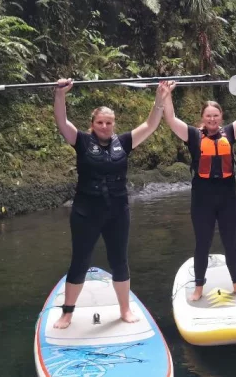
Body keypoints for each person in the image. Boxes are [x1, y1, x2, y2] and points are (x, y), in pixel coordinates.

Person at [52, 79, 169, 328]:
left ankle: (124, 310)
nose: (104, 126)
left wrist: (160, 99)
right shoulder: (81, 141)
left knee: (119, 260)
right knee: (80, 261)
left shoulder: (124, 142)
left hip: (117, 212)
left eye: (108, 122)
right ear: (92, 125)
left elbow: (150, 124)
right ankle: (67, 313)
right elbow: (62, 122)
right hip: (86, 212)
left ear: (114, 125)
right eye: (99, 123)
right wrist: (59, 94)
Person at [162, 81, 236, 301]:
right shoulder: (193, 136)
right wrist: (167, 95)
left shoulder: (230, 133)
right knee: (202, 243)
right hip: (202, 199)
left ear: (221, 117)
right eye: (208, 116)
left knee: (230, 242)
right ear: (203, 118)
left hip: (227, 198)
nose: (212, 119)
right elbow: (170, 119)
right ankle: (198, 287)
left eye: (216, 116)